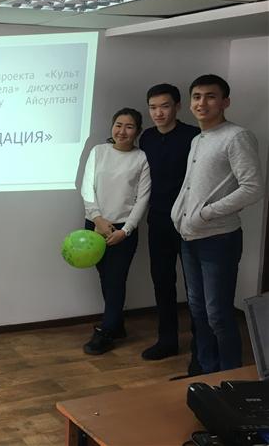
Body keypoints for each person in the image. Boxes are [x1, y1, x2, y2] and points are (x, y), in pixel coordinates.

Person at [172, 74, 263, 374]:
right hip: (190, 237)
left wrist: (206, 213)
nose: (202, 103)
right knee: (198, 310)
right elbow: (191, 186)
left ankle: (229, 377)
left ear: (225, 102)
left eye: (210, 96)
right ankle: (205, 371)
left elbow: (253, 188)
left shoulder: (236, 136)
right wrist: (179, 213)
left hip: (219, 239)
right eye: (197, 97)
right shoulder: (198, 139)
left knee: (218, 315)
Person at [139, 84, 201, 373]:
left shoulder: (193, 136)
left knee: (194, 287)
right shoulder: (147, 138)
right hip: (158, 220)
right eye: (153, 108)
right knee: (162, 281)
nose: (158, 113)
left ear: (177, 106)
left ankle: (201, 346)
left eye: (164, 106)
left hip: (188, 222)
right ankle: (167, 340)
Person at [80, 108, 151, 355]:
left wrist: (126, 230)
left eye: (129, 126)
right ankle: (117, 324)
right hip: (95, 225)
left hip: (123, 231)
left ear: (137, 131)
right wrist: (97, 218)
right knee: (105, 277)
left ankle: (106, 331)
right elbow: (87, 187)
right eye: (118, 125)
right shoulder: (98, 151)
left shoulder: (141, 158)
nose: (122, 131)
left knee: (115, 280)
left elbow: (143, 199)